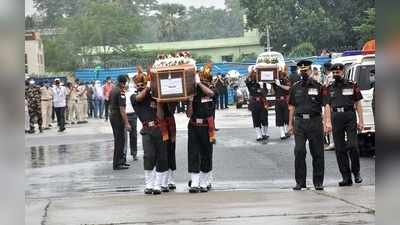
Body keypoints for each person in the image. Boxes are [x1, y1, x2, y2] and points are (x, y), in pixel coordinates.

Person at [287, 59, 330, 191]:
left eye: (306, 70)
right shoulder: (295, 87)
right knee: (299, 151)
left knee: (317, 153)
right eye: (302, 71)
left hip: (315, 121)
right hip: (299, 122)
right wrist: (290, 124)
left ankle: (318, 182)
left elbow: (326, 105)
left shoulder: (319, 86)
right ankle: (300, 182)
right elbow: (292, 106)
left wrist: (327, 122)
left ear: (311, 71)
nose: (304, 72)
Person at [325, 63, 364, 186]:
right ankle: (346, 177)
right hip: (336, 118)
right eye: (334, 73)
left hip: (350, 116)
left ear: (343, 72)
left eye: (338, 72)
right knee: (340, 149)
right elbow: (327, 105)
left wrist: (361, 121)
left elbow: (358, 103)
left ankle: (356, 172)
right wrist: (327, 122)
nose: (336, 74)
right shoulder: (329, 87)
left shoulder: (352, 85)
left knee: (353, 146)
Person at [131, 73, 168, 195]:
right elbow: (139, 98)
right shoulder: (134, 97)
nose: (141, 86)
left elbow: (160, 116)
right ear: (136, 85)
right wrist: (147, 87)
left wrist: (158, 101)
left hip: (159, 128)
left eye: (143, 83)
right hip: (147, 130)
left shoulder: (153, 96)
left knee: (161, 157)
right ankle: (149, 185)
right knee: (149, 156)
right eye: (139, 84)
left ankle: (158, 185)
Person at [186, 63, 216, 193]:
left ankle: (204, 182)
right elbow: (188, 114)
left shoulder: (212, 90)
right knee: (193, 153)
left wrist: (199, 84)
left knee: (206, 153)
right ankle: (195, 183)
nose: (204, 83)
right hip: (194, 126)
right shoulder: (193, 93)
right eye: (202, 80)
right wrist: (191, 101)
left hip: (207, 127)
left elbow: (210, 93)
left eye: (205, 81)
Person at [109, 75, 131, 171]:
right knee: (120, 140)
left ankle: (120, 161)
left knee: (119, 139)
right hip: (117, 117)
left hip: (113, 116)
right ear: (123, 83)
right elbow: (122, 109)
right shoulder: (120, 92)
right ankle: (117, 163)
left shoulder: (113, 90)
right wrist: (126, 123)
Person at [245, 67, 269, 141]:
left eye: (257, 73)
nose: (256, 74)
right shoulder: (250, 83)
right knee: (256, 119)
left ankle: (265, 133)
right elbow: (246, 80)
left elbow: (265, 93)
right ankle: (259, 135)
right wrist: (252, 70)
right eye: (254, 73)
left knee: (264, 118)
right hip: (254, 102)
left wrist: (262, 86)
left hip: (262, 102)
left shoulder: (263, 82)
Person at [272, 71, 291, 139]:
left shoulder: (286, 80)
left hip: (285, 101)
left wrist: (280, 85)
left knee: (286, 117)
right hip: (278, 101)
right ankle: (282, 133)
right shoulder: (275, 82)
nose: (280, 76)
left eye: (281, 74)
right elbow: (273, 91)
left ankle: (286, 131)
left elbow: (289, 88)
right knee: (279, 117)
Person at [124, 75, 138, 162]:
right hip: (124, 116)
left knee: (133, 135)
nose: (126, 83)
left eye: (127, 81)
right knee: (123, 137)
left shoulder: (133, 92)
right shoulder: (120, 93)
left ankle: (134, 153)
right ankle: (123, 154)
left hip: (133, 115)